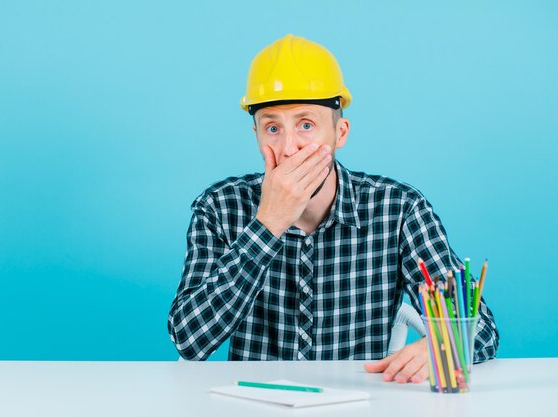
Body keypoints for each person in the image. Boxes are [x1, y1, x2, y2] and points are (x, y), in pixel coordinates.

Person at [167, 34, 499, 383]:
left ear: (340, 133)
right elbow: (189, 340)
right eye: (272, 127)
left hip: (361, 401)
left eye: (306, 125)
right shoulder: (220, 208)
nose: (290, 147)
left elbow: (482, 330)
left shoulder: (398, 210)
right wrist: (268, 225)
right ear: (257, 135)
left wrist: (444, 348)